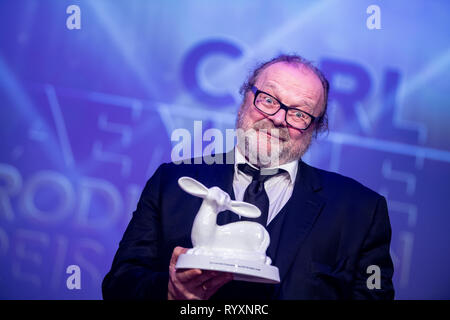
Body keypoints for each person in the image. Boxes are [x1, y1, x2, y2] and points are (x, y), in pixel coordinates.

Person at [102, 54, 395, 300]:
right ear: (245, 98)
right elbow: (119, 284)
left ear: (316, 128)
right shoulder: (171, 184)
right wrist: (169, 290)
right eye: (268, 100)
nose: (279, 118)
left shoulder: (361, 211)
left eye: (300, 114)